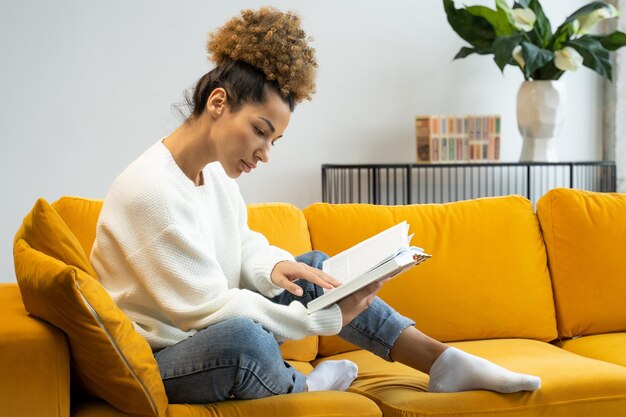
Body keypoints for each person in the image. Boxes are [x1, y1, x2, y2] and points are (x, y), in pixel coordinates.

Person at [91, 7, 541, 404]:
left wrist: (275, 268)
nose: (265, 153)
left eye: (274, 139)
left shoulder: (211, 173)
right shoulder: (151, 191)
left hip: (205, 327)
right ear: (218, 102)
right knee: (245, 339)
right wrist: (320, 319)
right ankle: (301, 387)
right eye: (261, 131)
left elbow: (242, 245)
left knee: (316, 271)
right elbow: (214, 309)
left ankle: (443, 362)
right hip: (164, 359)